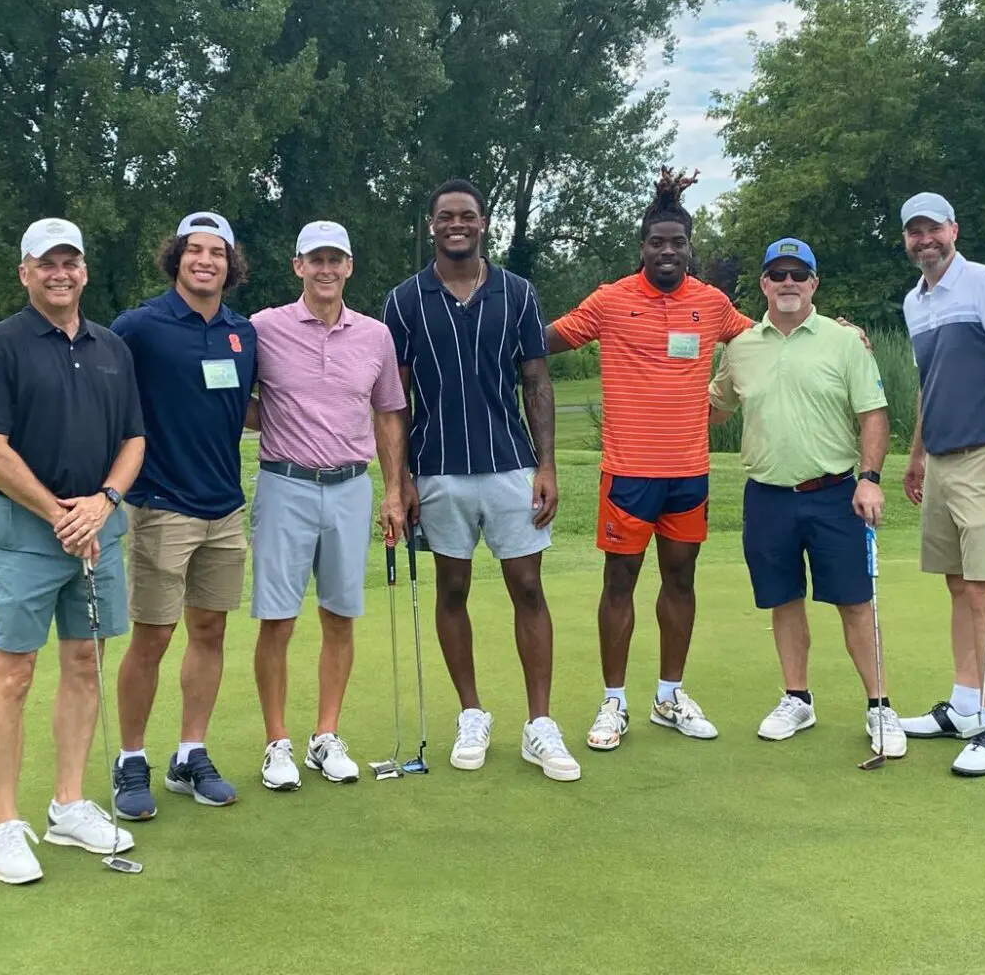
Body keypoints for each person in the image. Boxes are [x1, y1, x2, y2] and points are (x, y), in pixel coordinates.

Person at [0, 217, 145, 885]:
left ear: (84, 271)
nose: (60, 273)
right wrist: (58, 513)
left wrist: (103, 502)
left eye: (70, 262)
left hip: (99, 527)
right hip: (28, 536)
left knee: (84, 663)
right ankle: (3, 824)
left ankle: (67, 805)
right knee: (13, 673)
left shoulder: (110, 347)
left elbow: (133, 441)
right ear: (26, 273)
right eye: (46, 264)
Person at [546, 168, 751, 752]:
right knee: (620, 584)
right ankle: (614, 702)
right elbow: (548, 339)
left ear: (690, 248)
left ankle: (669, 696)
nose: (668, 251)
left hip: (689, 472)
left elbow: (762, 338)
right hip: (628, 472)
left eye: (678, 243)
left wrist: (835, 330)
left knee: (680, 580)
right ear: (643, 248)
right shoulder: (611, 300)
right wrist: (484, 331)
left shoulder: (711, 305)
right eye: (658, 243)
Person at [382, 178, 579, 782]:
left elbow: (537, 382)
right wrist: (402, 478)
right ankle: (472, 713)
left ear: (483, 222)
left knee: (527, 587)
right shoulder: (405, 299)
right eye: (446, 216)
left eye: (467, 215)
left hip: (511, 464)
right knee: (453, 589)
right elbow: (396, 397)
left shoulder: (518, 293)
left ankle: (539, 724)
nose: (456, 224)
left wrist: (545, 465)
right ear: (432, 224)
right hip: (437, 468)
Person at [707, 238, 906, 757]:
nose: (788, 283)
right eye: (778, 274)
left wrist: (870, 477)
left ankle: (879, 706)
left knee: (855, 603)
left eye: (799, 274)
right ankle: (797, 697)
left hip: (836, 492)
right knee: (783, 599)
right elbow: (716, 408)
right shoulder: (742, 346)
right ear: (764, 285)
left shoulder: (844, 343)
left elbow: (873, 415)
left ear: (814, 283)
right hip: (767, 496)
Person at [245, 220, 409, 790]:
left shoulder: (375, 335)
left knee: (340, 616)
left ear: (349, 266)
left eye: (335, 259)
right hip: (284, 484)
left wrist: (392, 492)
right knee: (278, 619)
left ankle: (325, 736)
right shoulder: (264, 328)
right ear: (298, 266)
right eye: (315, 259)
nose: (326, 269)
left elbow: (389, 412)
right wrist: (278, 418)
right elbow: (233, 398)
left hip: (350, 487)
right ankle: (277, 743)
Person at [107, 211, 257, 820]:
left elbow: (249, 409)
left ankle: (189, 754)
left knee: (210, 631)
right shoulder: (138, 327)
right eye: (194, 251)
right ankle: (130, 759)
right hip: (162, 505)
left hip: (225, 506)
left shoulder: (242, 333)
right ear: (176, 259)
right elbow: (106, 400)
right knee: (154, 635)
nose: (205, 261)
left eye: (216, 253)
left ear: (230, 264)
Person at [895, 193, 985, 778]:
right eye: (914, 232)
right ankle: (963, 704)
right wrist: (917, 454)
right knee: (956, 584)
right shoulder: (914, 303)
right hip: (943, 459)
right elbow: (931, 384)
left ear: (954, 228)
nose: (924, 239)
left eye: (933, 229)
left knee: (984, 590)